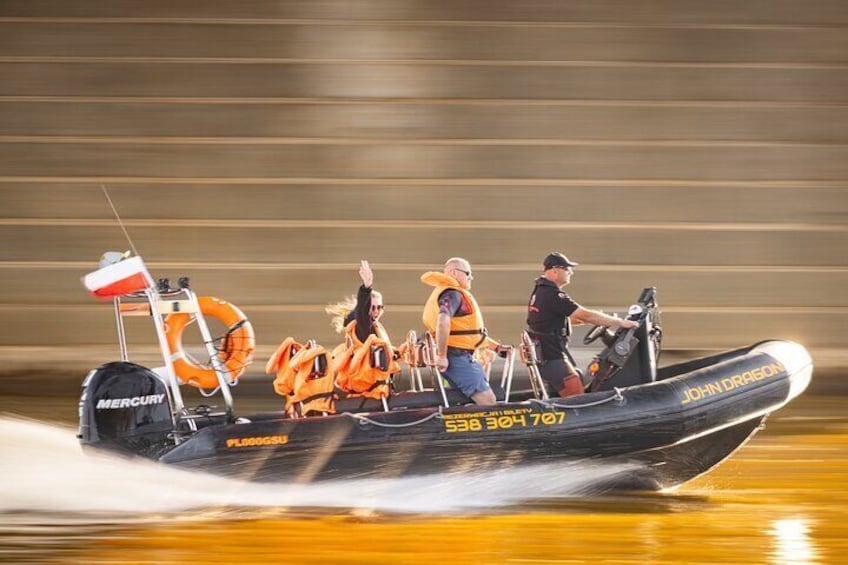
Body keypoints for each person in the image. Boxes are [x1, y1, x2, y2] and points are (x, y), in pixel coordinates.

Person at [526, 252, 639, 398]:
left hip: (546, 354)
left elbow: (554, 320)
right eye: (567, 269)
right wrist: (620, 322)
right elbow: (585, 314)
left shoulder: (541, 290)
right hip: (552, 356)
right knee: (577, 395)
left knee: (577, 378)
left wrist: (596, 321)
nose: (571, 273)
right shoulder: (553, 295)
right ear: (555, 271)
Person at [421, 257, 510, 406]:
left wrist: (496, 347)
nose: (471, 277)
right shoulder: (452, 294)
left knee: (467, 401)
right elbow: (443, 321)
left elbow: (465, 332)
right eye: (468, 273)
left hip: (460, 355)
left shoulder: (451, 292)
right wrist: (442, 356)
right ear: (454, 273)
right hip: (457, 357)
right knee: (488, 401)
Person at [326, 260, 387, 343]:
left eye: (379, 307)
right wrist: (366, 288)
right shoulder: (362, 322)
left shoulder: (377, 327)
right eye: (372, 307)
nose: (376, 311)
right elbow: (362, 312)